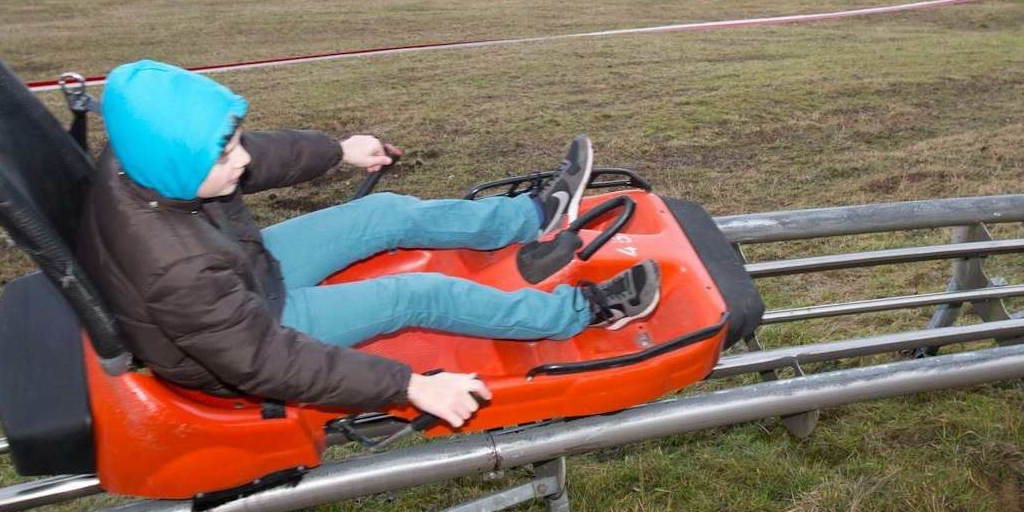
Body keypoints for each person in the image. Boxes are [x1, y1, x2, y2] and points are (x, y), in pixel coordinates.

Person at [75, 60, 661, 430]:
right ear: (178, 165)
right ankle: (580, 313)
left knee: (379, 211)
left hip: (243, 268)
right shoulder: (175, 268)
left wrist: (338, 150)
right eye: (223, 156)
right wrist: (409, 387)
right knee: (417, 295)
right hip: (251, 323)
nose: (243, 160)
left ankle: (534, 216)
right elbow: (266, 361)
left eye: (230, 145)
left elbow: (257, 152)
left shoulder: (149, 155)